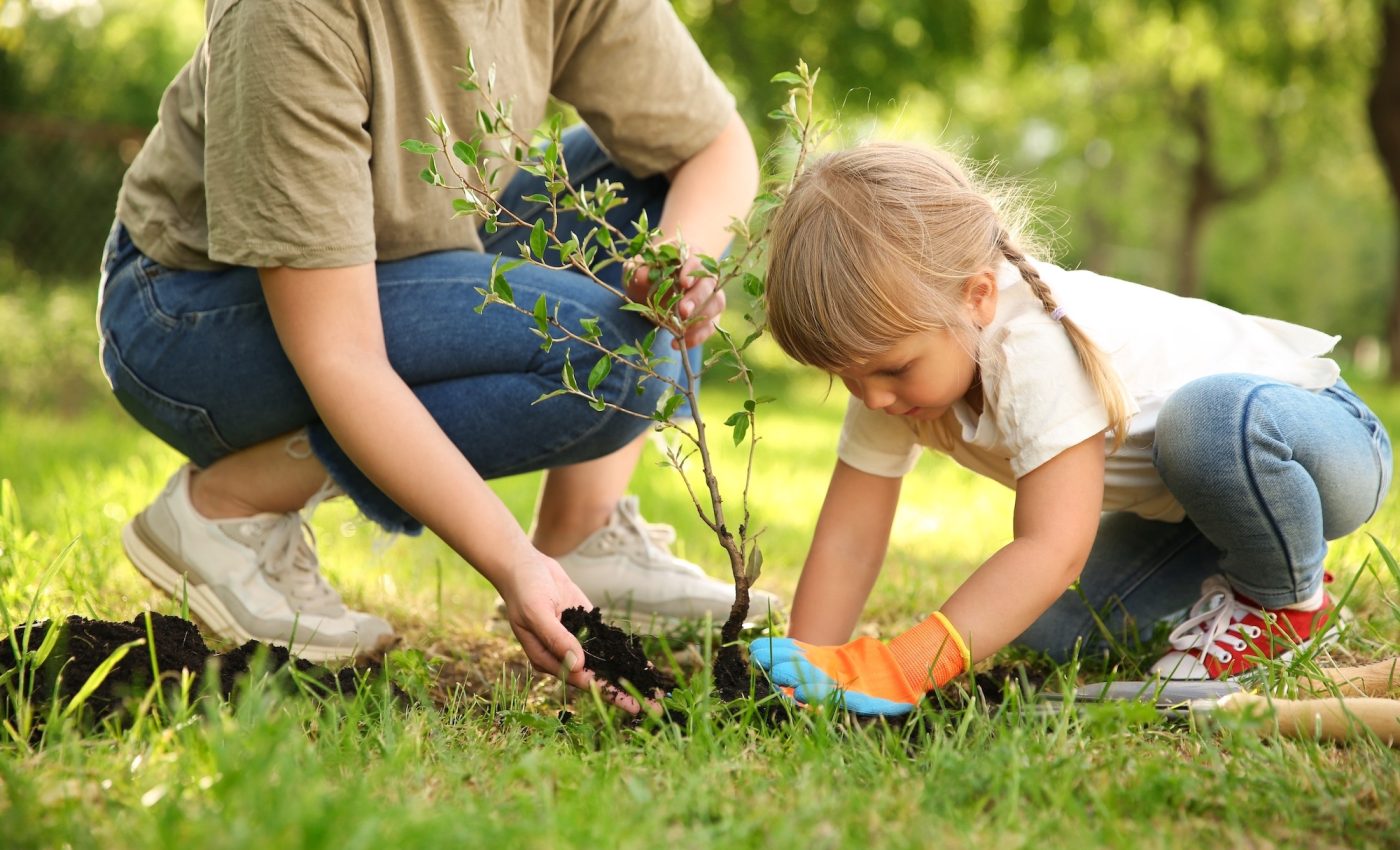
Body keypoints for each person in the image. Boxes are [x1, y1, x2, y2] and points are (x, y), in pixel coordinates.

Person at [96, 0, 782, 695]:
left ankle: (584, 532)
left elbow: (710, 146)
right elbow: (341, 351)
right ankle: (228, 507)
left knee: (652, 186)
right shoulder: (289, 13)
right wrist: (514, 564)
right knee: (607, 357)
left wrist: (674, 261)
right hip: (191, 318)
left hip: (415, 255)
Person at [749, 142, 1391, 716]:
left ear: (976, 297)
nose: (873, 397)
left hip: (1317, 444)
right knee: (1045, 630)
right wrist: (808, 666)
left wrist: (908, 666)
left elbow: (1052, 547)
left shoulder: (1033, 343)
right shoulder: (895, 377)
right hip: (1196, 510)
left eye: (891, 370)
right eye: (848, 378)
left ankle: (1285, 603)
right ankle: (1238, 576)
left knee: (1208, 420)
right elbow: (848, 540)